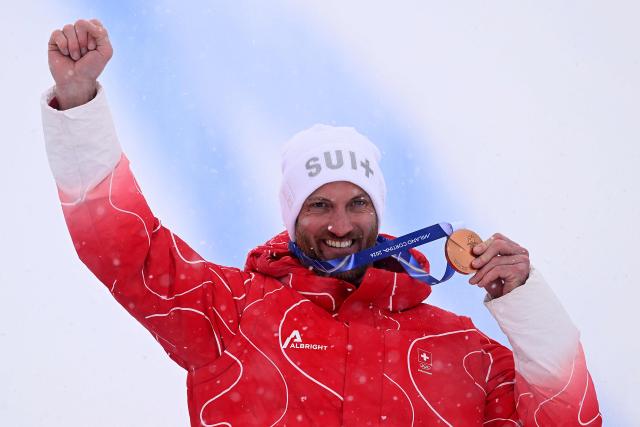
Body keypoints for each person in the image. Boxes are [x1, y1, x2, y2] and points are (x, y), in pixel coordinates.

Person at [42, 19, 601, 427]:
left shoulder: (461, 348)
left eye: (357, 202)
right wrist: (78, 101)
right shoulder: (229, 312)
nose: (340, 224)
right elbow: (120, 244)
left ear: (379, 211)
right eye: (318, 205)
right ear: (291, 216)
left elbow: (570, 422)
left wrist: (526, 301)